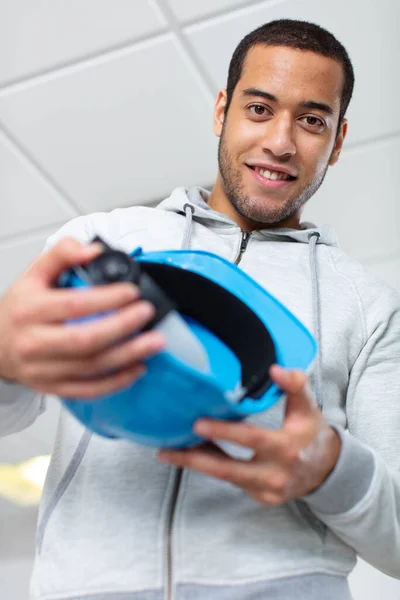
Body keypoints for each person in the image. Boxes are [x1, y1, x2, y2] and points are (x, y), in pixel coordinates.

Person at [0, 18, 399, 600]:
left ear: (337, 141)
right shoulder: (101, 239)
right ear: (222, 111)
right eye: (259, 109)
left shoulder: (370, 308)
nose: (281, 142)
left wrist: (333, 470)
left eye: (312, 120)